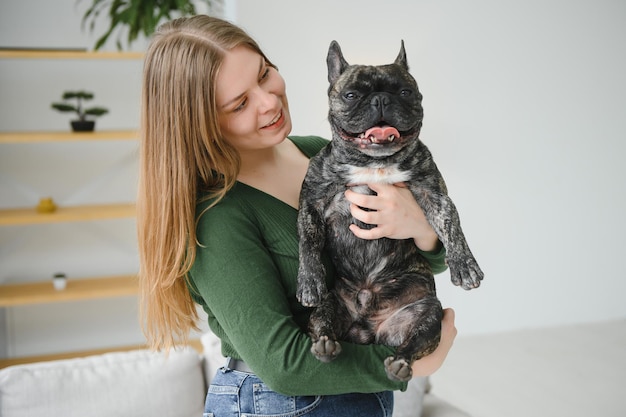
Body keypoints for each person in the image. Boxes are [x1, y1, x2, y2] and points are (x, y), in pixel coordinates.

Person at [137, 15, 457, 417]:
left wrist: (422, 226)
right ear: (200, 124)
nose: (269, 101)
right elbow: (282, 365)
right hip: (273, 404)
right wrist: (413, 364)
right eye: (240, 103)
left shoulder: (323, 154)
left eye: (265, 74)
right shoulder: (217, 216)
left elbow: (417, 263)